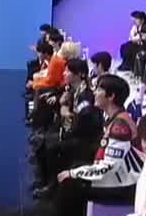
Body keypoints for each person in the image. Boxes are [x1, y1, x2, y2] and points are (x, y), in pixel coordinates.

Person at [47, 74, 141, 216]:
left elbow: (108, 168)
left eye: (99, 90)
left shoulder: (119, 126)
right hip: (119, 176)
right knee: (75, 167)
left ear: (111, 96)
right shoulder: (114, 118)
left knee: (70, 185)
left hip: (124, 185)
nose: (95, 93)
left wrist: (73, 174)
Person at [33, 58, 102, 195]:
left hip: (83, 139)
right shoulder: (72, 89)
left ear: (79, 74)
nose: (64, 73)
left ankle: (52, 185)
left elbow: (80, 122)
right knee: (42, 141)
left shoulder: (86, 97)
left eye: (68, 71)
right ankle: (45, 179)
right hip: (72, 130)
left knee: (52, 147)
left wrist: (65, 112)